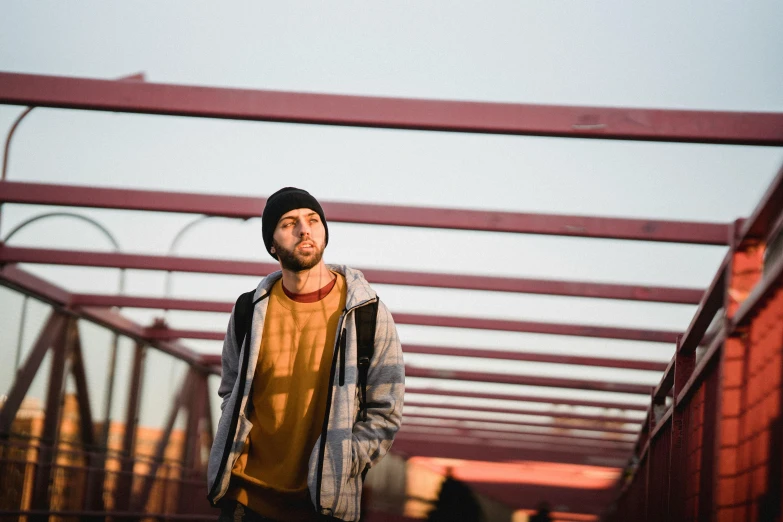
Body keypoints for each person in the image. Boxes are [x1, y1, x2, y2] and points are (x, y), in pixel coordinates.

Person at [207, 187, 405, 522]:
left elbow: (385, 413)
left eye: (313, 219)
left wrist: (339, 465)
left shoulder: (366, 313)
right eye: (289, 223)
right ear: (272, 245)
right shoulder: (248, 312)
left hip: (324, 508)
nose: (304, 229)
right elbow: (231, 390)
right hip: (246, 499)